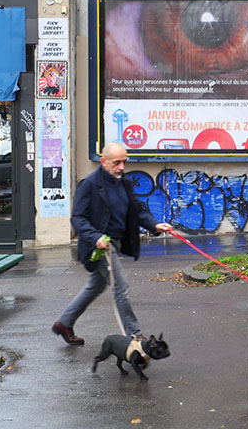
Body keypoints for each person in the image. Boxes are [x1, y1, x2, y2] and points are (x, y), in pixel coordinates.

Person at [52, 142, 172, 345]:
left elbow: (138, 209)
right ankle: (135, 336)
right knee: (121, 287)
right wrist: (95, 237)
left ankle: (64, 323)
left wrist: (155, 224)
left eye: (125, 161)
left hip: (115, 243)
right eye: (117, 162)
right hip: (99, 247)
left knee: (95, 286)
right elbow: (78, 218)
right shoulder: (89, 184)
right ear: (103, 162)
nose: (122, 167)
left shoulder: (123, 182)